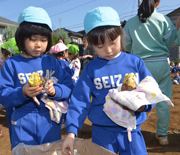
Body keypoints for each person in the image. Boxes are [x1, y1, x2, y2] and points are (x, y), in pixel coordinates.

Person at [62, 6, 156, 155]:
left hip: (131, 131)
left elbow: (151, 90)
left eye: (113, 42)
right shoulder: (92, 69)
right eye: (100, 46)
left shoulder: (135, 63)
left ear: (121, 35)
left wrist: (143, 107)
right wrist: (71, 132)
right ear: (92, 45)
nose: (108, 50)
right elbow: (80, 100)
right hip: (102, 133)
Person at [0, 6, 73, 149]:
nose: (38, 44)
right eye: (33, 39)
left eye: (43, 40)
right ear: (21, 38)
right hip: (22, 121)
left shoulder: (51, 62)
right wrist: (22, 92)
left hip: (49, 121)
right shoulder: (12, 64)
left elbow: (68, 85)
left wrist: (56, 90)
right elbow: (1, 94)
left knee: (51, 150)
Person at [122, 0, 177, 145]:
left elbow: (125, 45)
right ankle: (163, 135)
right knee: (163, 101)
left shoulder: (131, 23)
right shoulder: (164, 20)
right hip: (161, 64)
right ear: (158, 2)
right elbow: (171, 42)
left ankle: (134, 131)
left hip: (140, 66)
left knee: (137, 99)